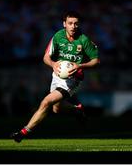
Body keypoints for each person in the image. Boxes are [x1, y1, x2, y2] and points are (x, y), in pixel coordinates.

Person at [11, 10, 100, 143]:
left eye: (76, 24)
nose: (73, 26)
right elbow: (46, 57)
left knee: (46, 102)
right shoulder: (58, 36)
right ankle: (78, 110)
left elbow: (95, 61)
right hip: (57, 75)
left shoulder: (84, 40)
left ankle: (23, 132)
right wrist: (53, 64)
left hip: (73, 80)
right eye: (70, 23)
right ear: (64, 24)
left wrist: (79, 66)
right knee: (56, 109)